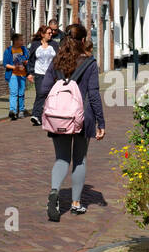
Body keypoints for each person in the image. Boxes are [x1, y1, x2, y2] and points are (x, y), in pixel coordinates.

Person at [38, 23, 105, 219]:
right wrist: (101, 123)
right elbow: (93, 95)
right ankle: (76, 203)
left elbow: (44, 91)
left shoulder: (57, 62)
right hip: (82, 118)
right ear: (83, 41)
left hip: (58, 117)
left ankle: (54, 191)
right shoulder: (90, 63)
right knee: (79, 160)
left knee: (61, 159)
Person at [26, 23, 59, 125]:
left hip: (51, 75)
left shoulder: (54, 45)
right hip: (39, 74)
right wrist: (30, 73)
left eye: (51, 33)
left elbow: (58, 59)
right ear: (42, 34)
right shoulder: (35, 45)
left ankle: (48, 115)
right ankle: (36, 115)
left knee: (51, 95)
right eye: (49, 33)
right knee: (40, 93)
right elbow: (31, 60)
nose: (51, 35)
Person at [2, 33, 29, 119]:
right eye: (21, 40)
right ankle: (13, 111)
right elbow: (5, 64)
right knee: (14, 93)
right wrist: (14, 67)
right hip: (13, 74)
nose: (22, 41)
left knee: (21, 94)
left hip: (22, 74)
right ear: (15, 41)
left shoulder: (24, 49)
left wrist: (26, 62)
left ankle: (21, 110)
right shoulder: (8, 50)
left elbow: (27, 59)